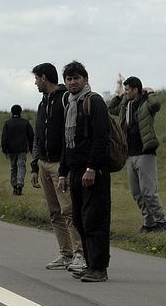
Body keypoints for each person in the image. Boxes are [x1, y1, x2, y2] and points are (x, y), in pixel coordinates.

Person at [57, 61, 111, 282]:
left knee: (94, 220)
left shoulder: (94, 102)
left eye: (76, 78)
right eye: (69, 79)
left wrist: (92, 168)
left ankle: (99, 268)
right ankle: (90, 264)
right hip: (76, 171)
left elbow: (101, 139)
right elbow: (66, 142)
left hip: (93, 171)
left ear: (86, 79)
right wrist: (63, 172)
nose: (72, 82)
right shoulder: (69, 103)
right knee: (79, 219)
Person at [31, 62, 86, 272]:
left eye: (36, 78)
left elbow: (69, 133)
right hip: (44, 163)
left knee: (69, 210)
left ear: (44, 77)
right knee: (54, 212)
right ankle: (66, 253)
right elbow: (37, 135)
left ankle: (80, 253)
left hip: (60, 164)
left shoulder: (65, 99)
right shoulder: (42, 103)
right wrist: (35, 165)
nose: (35, 82)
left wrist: (66, 164)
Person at [108, 75, 166, 233]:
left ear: (136, 90)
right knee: (136, 192)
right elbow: (111, 109)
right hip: (129, 154)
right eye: (124, 89)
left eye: (127, 89)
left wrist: (152, 92)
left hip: (145, 152)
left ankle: (161, 221)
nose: (125, 92)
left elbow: (156, 105)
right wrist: (118, 95)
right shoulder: (125, 105)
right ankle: (149, 222)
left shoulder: (146, 102)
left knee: (148, 191)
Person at [1, 104, 34, 195]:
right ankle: (20, 185)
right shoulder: (25, 122)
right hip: (22, 149)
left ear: (12, 112)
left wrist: (5, 149)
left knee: (13, 167)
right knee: (21, 166)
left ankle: (14, 186)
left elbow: (4, 137)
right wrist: (31, 149)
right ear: (20, 112)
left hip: (11, 150)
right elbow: (31, 136)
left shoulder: (7, 123)